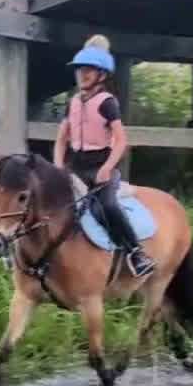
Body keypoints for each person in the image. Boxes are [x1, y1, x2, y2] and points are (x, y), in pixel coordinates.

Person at [53, 35, 155, 277]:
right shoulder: (73, 102)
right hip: (76, 166)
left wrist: (108, 167)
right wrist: (58, 166)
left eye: (89, 71)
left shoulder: (107, 103)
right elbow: (61, 139)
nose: (82, 75)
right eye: (80, 71)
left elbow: (121, 140)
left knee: (105, 207)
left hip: (100, 167)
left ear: (102, 75)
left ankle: (136, 253)